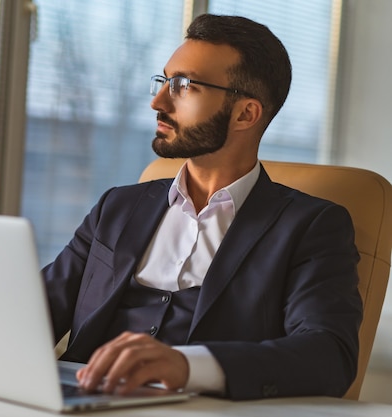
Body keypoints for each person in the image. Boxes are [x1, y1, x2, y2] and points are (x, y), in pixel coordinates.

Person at [42, 14, 363, 400]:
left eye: (183, 86)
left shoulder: (311, 226)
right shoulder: (117, 206)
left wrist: (189, 366)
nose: (157, 101)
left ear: (246, 113)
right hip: (75, 401)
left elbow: (329, 356)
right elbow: (31, 311)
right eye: (163, 81)